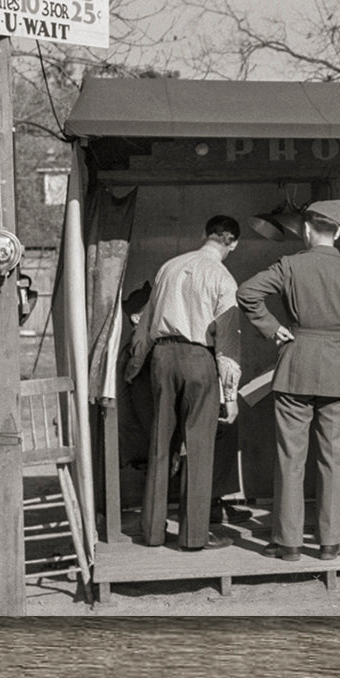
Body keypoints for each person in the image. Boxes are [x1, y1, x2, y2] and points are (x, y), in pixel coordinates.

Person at [237, 199, 340, 561]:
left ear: (308, 230)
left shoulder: (291, 265)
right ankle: (330, 542)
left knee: (290, 459)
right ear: (338, 232)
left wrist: (273, 328)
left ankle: (289, 543)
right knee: (333, 461)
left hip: (295, 369)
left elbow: (247, 293)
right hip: (339, 375)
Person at [138, 215, 242, 552]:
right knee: (199, 447)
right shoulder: (223, 278)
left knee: (160, 443)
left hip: (162, 357)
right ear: (233, 243)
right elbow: (226, 343)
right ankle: (194, 536)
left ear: (204, 234)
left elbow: (146, 323)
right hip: (199, 360)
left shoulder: (168, 267)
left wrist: (135, 366)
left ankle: (152, 532)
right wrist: (230, 396)